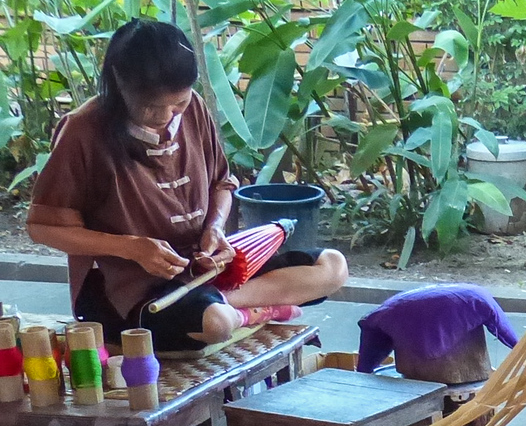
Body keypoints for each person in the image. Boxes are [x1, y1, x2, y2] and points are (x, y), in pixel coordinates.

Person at [27, 19, 348, 352]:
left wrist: (215, 229)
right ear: (121, 87)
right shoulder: (83, 130)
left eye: (177, 104)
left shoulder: (193, 106)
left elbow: (222, 184)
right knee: (215, 324)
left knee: (332, 267)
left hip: (204, 270)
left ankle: (223, 303)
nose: (167, 116)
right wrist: (134, 248)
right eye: (151, 107)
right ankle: (230, 309)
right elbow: (42, 228)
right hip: (133, 290)